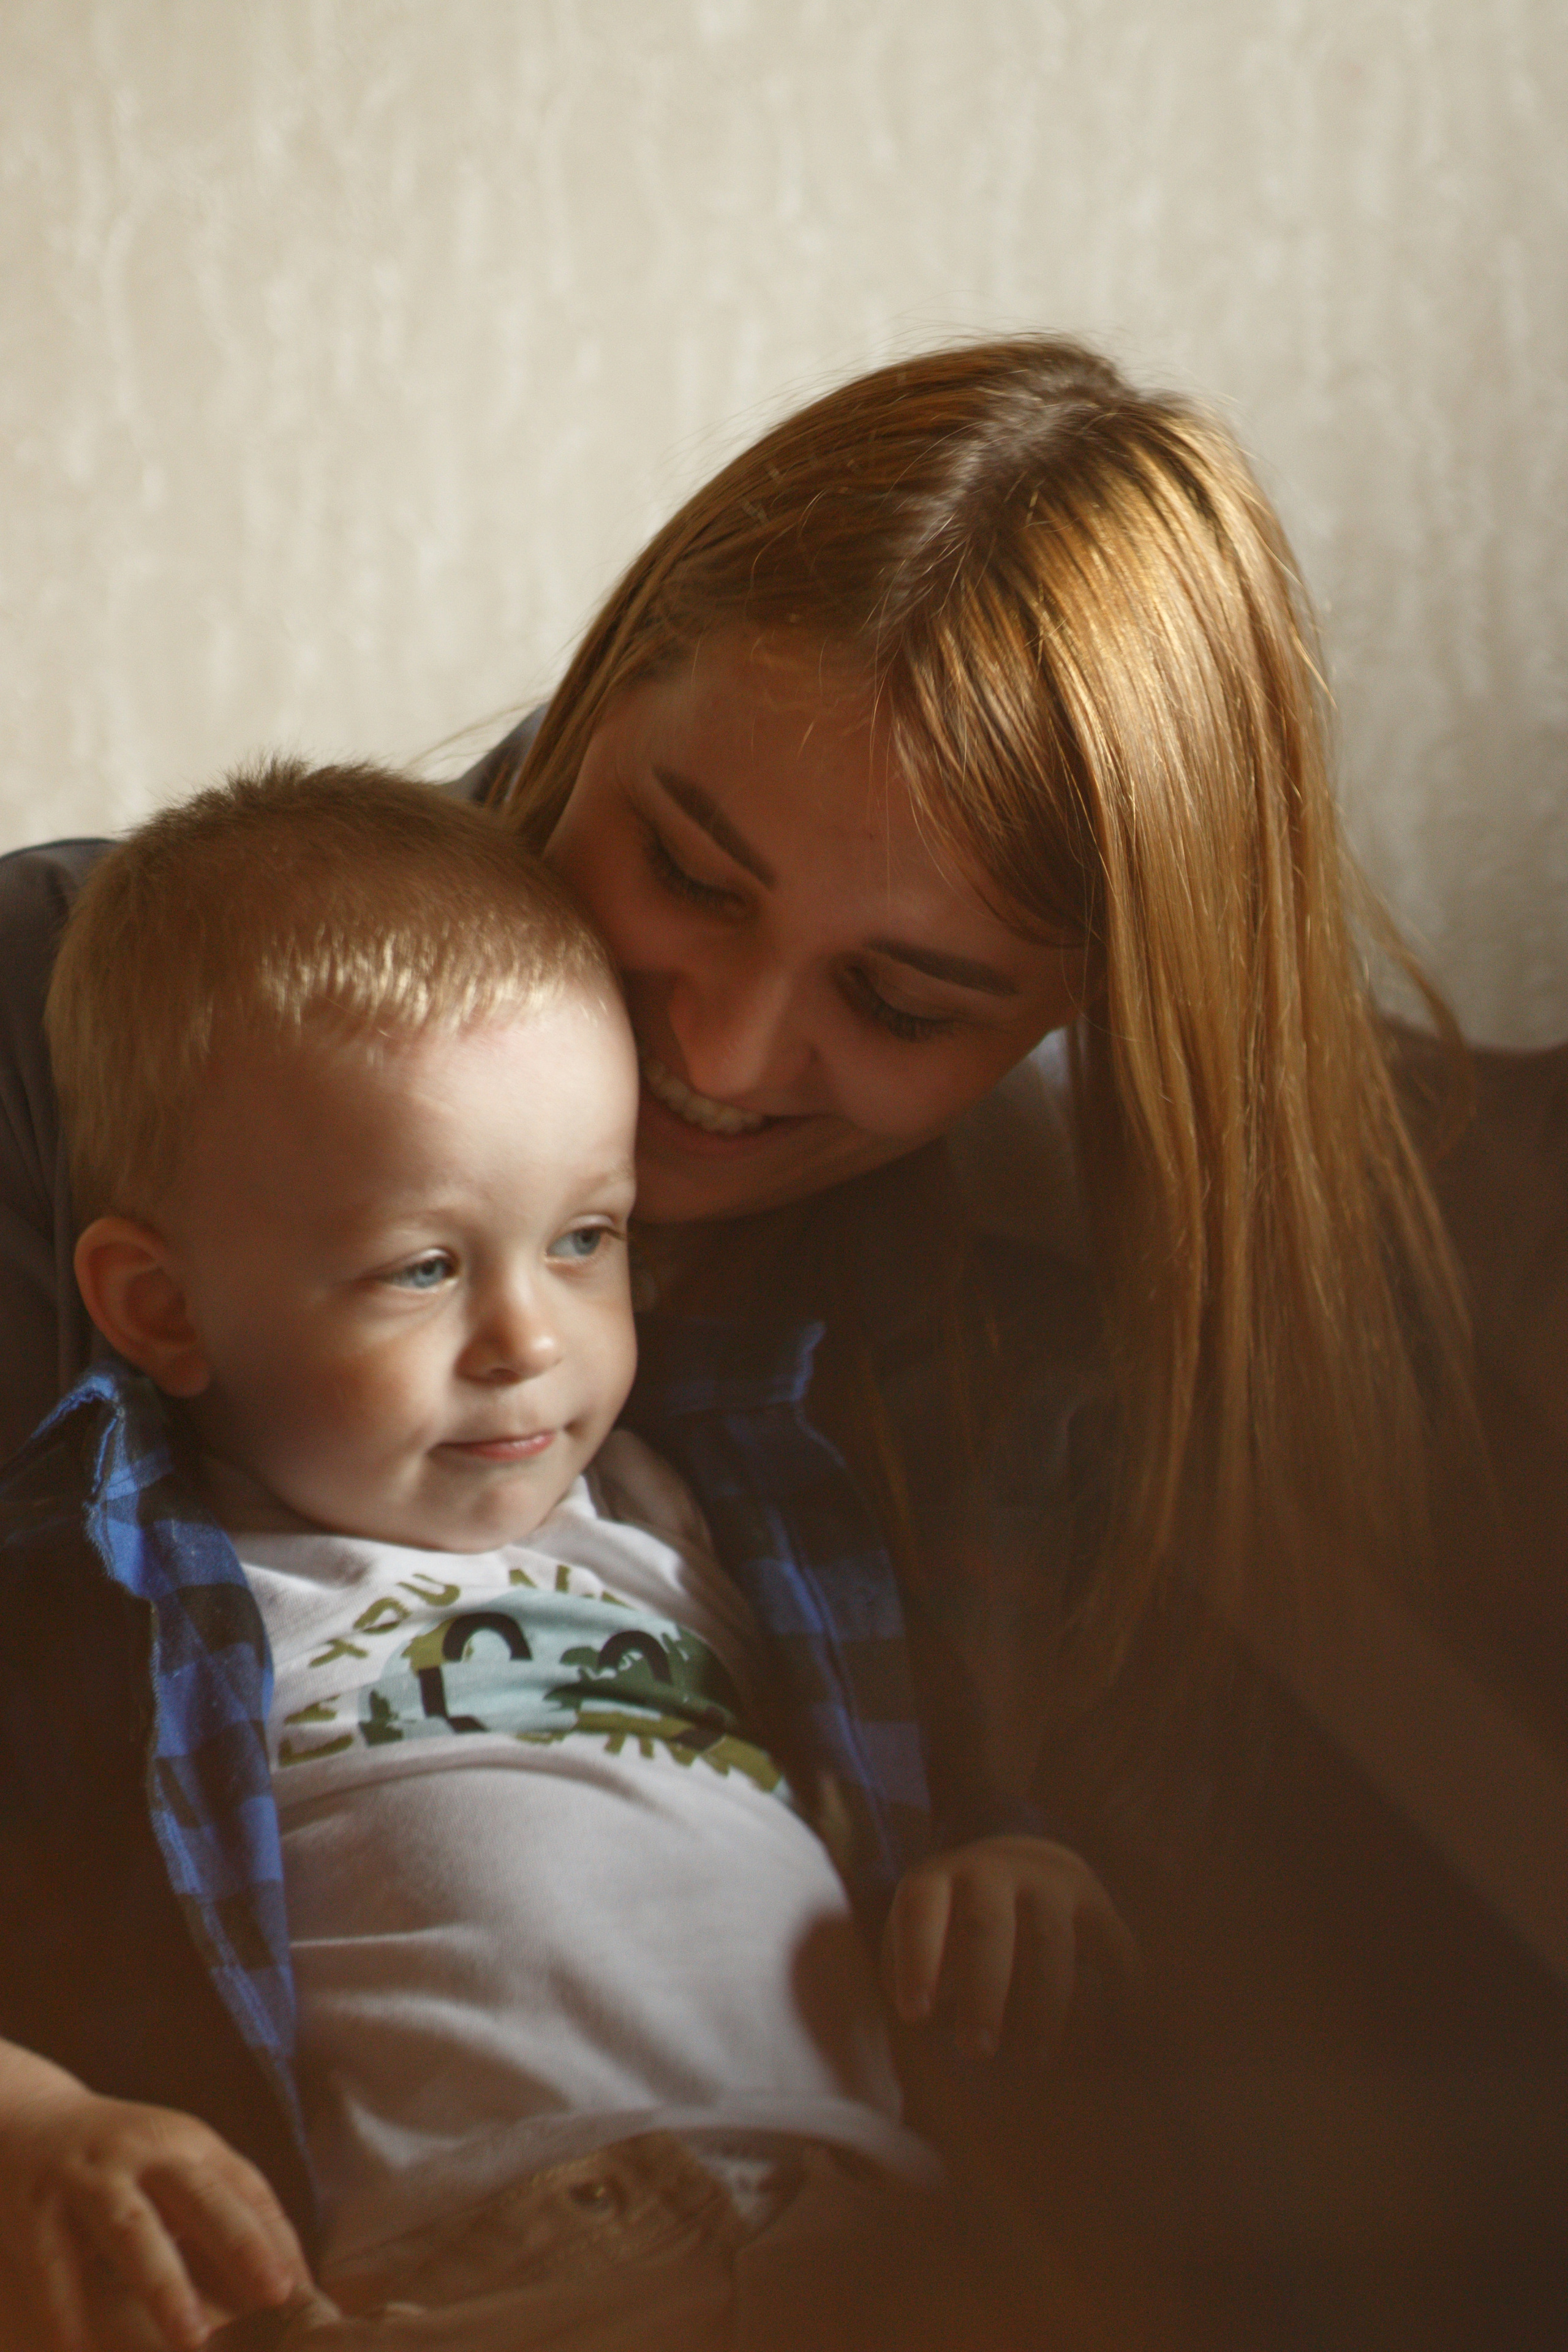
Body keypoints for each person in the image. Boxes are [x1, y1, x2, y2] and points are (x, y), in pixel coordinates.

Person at [0, 337, 1498, 2342]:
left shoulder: (1033, 1343)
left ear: (1065, 1015)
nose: (710, 1052)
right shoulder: (74, 1023)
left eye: (901, 1005)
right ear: (604, 693)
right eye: (688, 872)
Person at [0, 759, 1133, 2352]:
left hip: (884, 2237)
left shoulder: (715, 1511)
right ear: (165, 1311)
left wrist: (1003, 1855)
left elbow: (899, 1773)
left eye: (589, 1238)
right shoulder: (118, 1602)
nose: (530, 1339)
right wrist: (35, 2121)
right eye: (422, 1266)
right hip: (476, 2268)